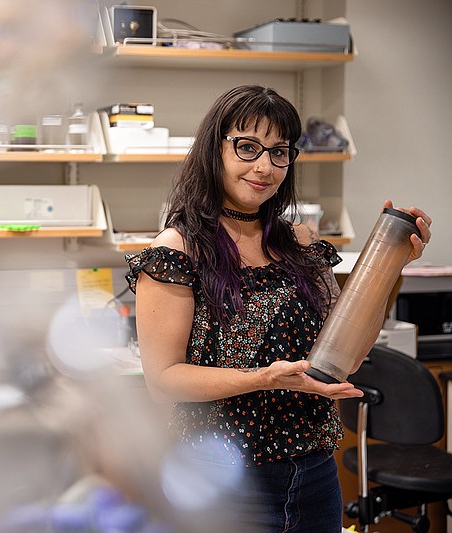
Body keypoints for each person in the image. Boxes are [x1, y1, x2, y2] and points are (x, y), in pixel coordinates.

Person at [125, 84, 432, 532]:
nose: (264, 167)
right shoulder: (177, 251)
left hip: (314, 475)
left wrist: (390, 268)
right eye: (247, 148)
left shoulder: (302, 244)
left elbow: (346, 355)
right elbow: (164, 381)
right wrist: (266, 378)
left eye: (279, 152)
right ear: (216, 149)